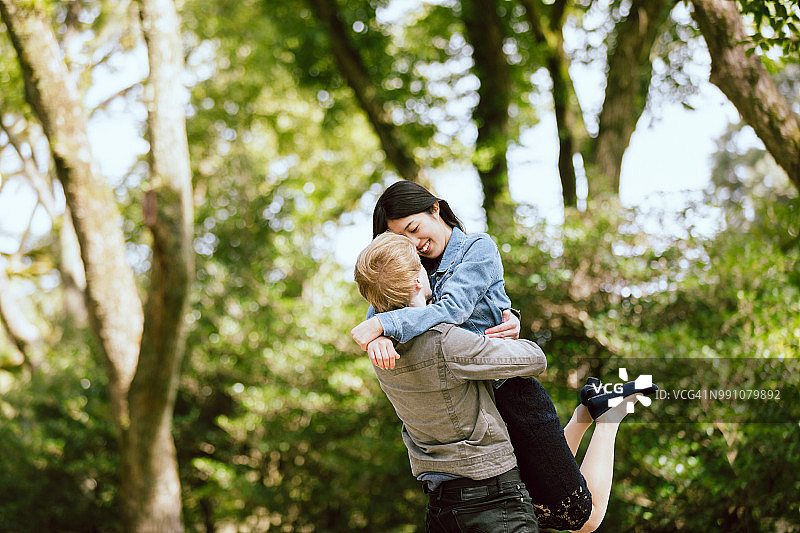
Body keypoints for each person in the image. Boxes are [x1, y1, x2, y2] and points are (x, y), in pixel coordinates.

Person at [351, 180, 657, 532]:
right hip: (473, 412)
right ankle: (588, 413)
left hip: (509, 394)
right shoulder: (414, 270)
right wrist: (378, 332)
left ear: (436, 208)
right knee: (531, 506)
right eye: (403, 241)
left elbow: (453, 308)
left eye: (414, 229)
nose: (415, 245)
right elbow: (385, 296)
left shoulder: (476, 249)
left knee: (578, 519)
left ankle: (607, 417)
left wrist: (386, 325)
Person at [354, 231, 545, 532]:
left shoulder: (380, 350)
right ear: (418, 281)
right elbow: (535, 359)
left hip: (442, 507)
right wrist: (500, 334)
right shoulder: (446, 341)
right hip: (491, 499)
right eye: (420, 264)